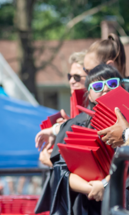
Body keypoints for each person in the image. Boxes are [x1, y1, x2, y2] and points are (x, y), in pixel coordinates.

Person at [41, 64, 118, 215]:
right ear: (88, 94)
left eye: (112, 83)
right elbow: (61, 170)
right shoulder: (74, 125)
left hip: (120, 201)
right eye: (97, 86)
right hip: (84, 204)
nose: (106, 89)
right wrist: (92, 189)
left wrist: (104, 185)